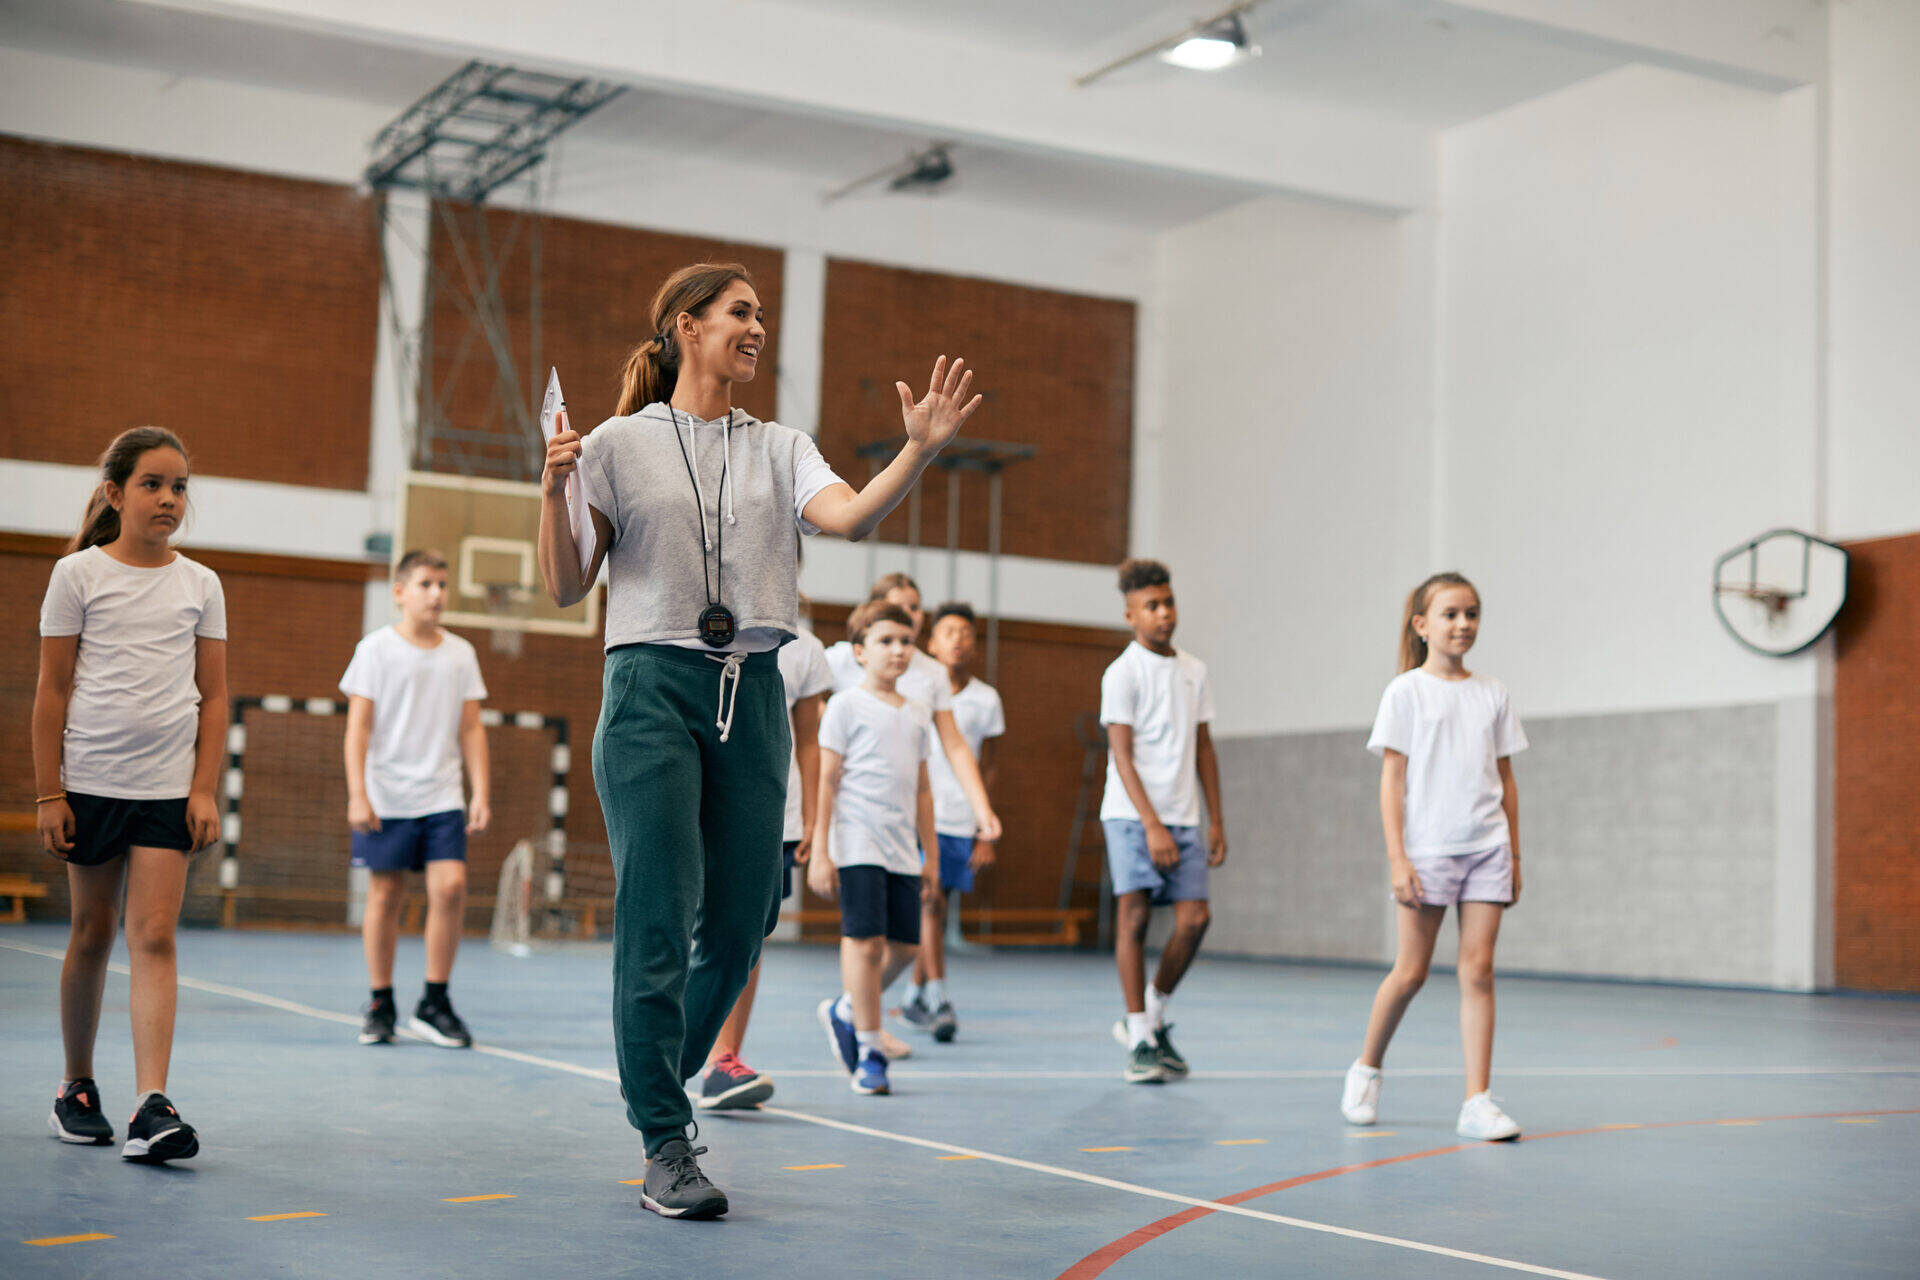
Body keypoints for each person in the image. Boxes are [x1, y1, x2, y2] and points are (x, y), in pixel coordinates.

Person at [537, 261, 982, 1220]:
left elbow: (852, 515)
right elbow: (568, 586)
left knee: (741, 926)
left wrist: (918, 452)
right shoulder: (614, 444)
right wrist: (552, 493)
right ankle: (664, 1134)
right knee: (658, 915)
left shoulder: (782, 447)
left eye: (762, 315)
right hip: (650, 686)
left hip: (756, 692)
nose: (756, 328)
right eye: (740, 313)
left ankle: (661, 1080)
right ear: (685, 327)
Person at [34, 427, 226, 1163]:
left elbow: (216, 695)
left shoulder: (201, 585)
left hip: (165, 793)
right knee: (90, 933)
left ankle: (153, 1104)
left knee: (153, 936)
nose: (170, 499)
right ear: (115, 494)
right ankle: (76, 1087)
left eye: (180, 486)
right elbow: (51, 693)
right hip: (89, 785)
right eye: (153, 484)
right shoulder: (76, 576)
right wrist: (50, 793)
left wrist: (203, 789)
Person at [1342, 572, 1527, 1142]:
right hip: (1427, 852)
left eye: (1472, 613)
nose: (1463, 624)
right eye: (1450, 614)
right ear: (1422, 625)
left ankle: (1477, 1100)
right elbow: (1391, 781)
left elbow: (1506, 778)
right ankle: (1367, 1068)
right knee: (1411, 972)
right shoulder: (1406, 692)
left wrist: (1514, 854)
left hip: (1487, 847)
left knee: (1479, 971)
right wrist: (1399, 858)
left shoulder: (1492, 692)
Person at [340, 549, 491, 1050]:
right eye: (426, 584)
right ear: (400, 592)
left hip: (441, 792)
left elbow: (471, 727)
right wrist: (358, 793)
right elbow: (358, 727)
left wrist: (480, 791)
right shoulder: (375, 649)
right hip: (386, 796)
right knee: (385, 894)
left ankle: (434, 1002)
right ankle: (381, 1002)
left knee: (450, 888)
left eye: (442, 584)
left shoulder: (460, 654)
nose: (437, 594)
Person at [694, 594, 832, 1111]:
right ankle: (675, 1052)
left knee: (745, 935)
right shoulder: (699, 631)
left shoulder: (806, 649)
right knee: (692, 928)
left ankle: (723, 1061)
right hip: (703, 802)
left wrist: (815, 819)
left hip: (775, 812)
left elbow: (812, 742)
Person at [1098, 559, 1226, 1084]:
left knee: (1195, 920)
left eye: (1168, 603)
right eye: (1151, 606)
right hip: (1131, 817)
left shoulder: (1194, 671)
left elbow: (1204, 748)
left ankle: (1152, 1013)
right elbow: (1122, 756)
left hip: (1184, 817)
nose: (1164, 613)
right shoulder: (1122, 673)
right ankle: (1141, 1036)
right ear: (1131, 614)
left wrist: (1215, 819)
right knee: (1134, 920)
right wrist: (1151, 825)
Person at [808, 602, 938, 1097]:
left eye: (906, 642)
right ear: (859, 652)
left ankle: (846, 1007)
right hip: (858, 842)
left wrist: (932, 855)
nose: (899, 650)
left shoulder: (918, 713)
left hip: (904, 848)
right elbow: (827, 781)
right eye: (886, 641)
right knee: (865, 943)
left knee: (905, 947)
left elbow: (924, 789)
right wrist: (822, 851)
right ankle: (870, 1049)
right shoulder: (844, 706)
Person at [897, 602, 1004, 1042]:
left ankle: (912, 994)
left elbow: (989, 767)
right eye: (949, 631)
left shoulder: (986, 699)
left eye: (966, 632)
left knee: (935, 911)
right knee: (930, 901)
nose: (958, 639)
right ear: (932, 641)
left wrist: (984, 829)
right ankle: (938, 995)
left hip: (962, 820)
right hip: (920, 816)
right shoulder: (913, 686)